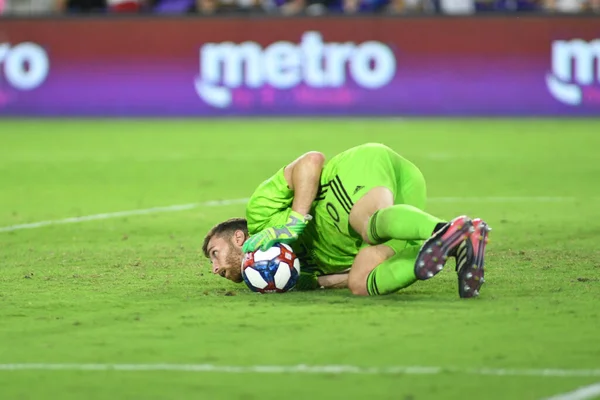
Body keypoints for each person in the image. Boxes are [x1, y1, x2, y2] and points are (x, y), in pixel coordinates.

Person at [202, 143, 491, 297]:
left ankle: (447, 231)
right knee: (360, 283)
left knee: (366, 225)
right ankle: (456, 244)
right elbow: (334, 280)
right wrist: (320, 282)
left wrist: (294, 220)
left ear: (238, 238)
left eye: (215, 254)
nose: (214, 268)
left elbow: (311, 160)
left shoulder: (260, 213)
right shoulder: (292, 275)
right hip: (405, 207)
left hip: (359, 174)